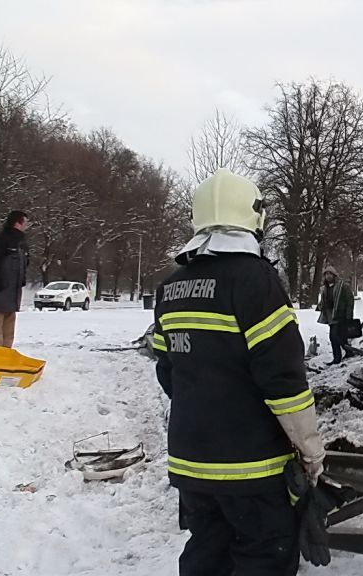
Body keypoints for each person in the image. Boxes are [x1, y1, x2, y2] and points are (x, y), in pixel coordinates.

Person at [151, 169, 326, 576]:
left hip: (191, 464)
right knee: (264, 557)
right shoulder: (256, 281)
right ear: (254, 217)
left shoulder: (171, 288)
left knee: (207, 554)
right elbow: (284, 382)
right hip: (253, 469)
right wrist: (311, 452)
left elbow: (167, 372)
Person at [0, 210, 29, 348]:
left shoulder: (21, 243)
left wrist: (21, 280)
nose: (26, 226)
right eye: (25, 223)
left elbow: (24, 264)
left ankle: (6, 359)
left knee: (8, 336)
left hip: (12, 296)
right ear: (17, 223)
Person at [316, 266, 354, 364]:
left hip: (341, 315)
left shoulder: (342, 286)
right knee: (340, 337)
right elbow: (324, 300)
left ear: (334, 275)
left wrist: (349, 316)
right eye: (326, 274)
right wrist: (320, 306)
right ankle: (349, 352)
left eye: (330, 274)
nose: (328, 276)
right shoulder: (324, 288)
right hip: (330, 316)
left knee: (334, 336)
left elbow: (350, 301)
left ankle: (337, 358)